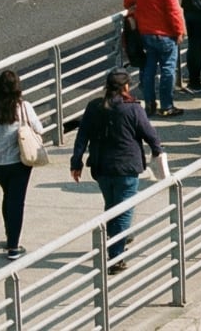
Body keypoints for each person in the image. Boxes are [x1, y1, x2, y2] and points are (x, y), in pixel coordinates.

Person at [69, 71, 161, 274]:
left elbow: (82, 136)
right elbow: (149, 133)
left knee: (112, 206)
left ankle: (118, 237)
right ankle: (116, 256)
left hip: (101, 167)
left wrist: (76, 163)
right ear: (126, 87)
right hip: (126, 167)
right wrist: (157, 152)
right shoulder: (133, 109)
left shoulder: (94, 107)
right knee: (124, 210)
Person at [123, 0, 187, 118]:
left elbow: (127, 2)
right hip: (166, 34)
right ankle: (167, 106)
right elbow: (174, 11)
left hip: (145, 34)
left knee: (149, 69)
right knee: (168, 69)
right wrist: (179, 31)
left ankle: (150, 104)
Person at [0, 71, 37, 259]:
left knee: (8, 196)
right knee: (16, 201)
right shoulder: (24, 107)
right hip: (19, 162)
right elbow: (39, 128)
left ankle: (9, 235)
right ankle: (13, 246)